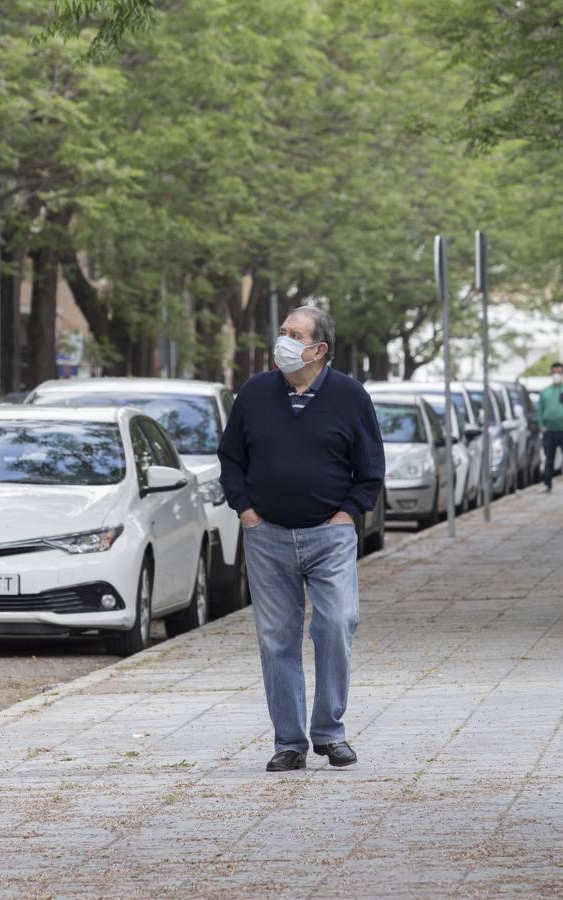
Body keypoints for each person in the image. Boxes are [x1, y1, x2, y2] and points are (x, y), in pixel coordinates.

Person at [218, 306, 385, 773]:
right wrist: (246, 511)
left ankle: (330, 733)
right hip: (266, 534)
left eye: (295, 335)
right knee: (276, 639)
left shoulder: (350, 397)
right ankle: (288, 742)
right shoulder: (254, 393)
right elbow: (231, 458)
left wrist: (346, 515)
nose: (283, 341)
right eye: (283, 332)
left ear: (319, 349)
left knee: (336, 624)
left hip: (329, 536)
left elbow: (370, 467)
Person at [536, 361, 563, 494]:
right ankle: (547, 484)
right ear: (551, 373)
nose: (556, 375)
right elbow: (539, 410)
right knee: (548, 458)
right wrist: (541, 425)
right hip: (549, 431)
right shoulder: (545, 392)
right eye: (554, 372)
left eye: (559, 372)